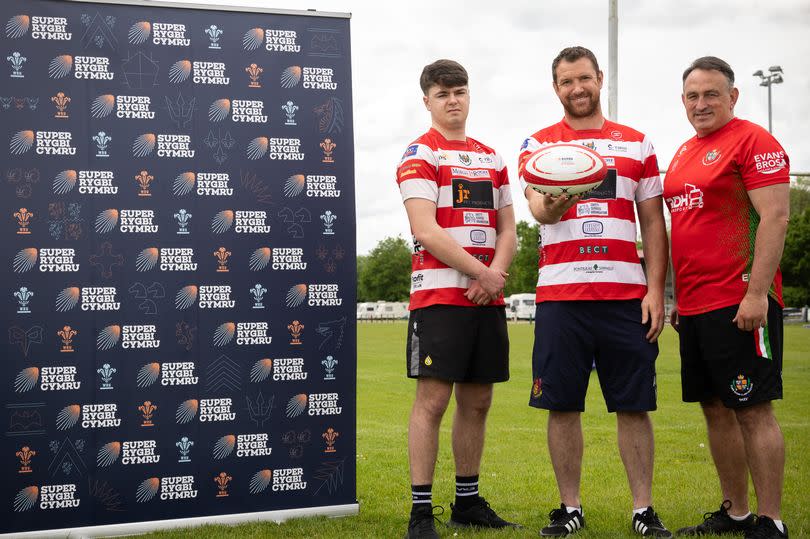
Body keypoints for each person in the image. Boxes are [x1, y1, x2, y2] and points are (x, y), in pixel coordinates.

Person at [518, 46, 671, 537]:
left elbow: (653, 222)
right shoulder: (538, 145)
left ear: (599, 78)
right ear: (555, 87)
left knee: (634, 405)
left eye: (584, 78)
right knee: (561, 405)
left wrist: (656, 291)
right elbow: (538, 211)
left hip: (626, 295)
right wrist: (559, 201)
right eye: (566, 82)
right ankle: (570, 509)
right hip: (561, 297)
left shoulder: (637, 143)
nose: (577, 89)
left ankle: (643, 510)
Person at [665, 56, 790, 539]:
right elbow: (689, 229)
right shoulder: (683, 153)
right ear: (683, 102)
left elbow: (775, 217)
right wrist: (677, 295)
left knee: (752, 406)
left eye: (711, 94)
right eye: (693, 96)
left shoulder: (753, 140)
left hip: (740, 299)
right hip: (695, 307)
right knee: (715, 407)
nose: (701, 104)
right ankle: (735, 512)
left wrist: (757, 292)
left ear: (733, 96)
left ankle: (770, 519)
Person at [396, 59, 518, 539]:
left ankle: (466, 501)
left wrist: (496, 275)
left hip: (486, 296)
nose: (453, 100)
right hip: (439, 298)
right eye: (442, 93)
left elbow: (508, 227)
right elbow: (424, 229)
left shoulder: (491, 156)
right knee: (433, 400)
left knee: (479, 399)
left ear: (470, 96)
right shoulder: (419, 153)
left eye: (460, 91)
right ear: (426, 100)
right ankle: (420, 513)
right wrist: (482, 272)